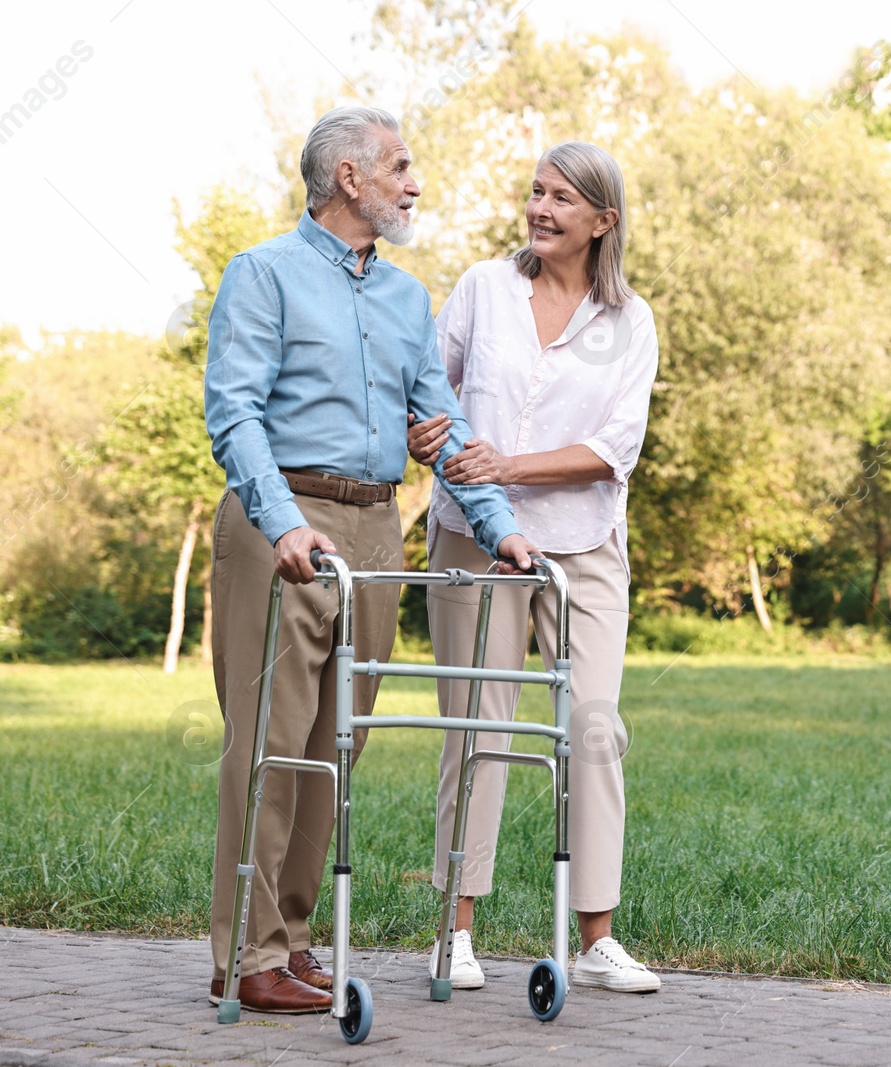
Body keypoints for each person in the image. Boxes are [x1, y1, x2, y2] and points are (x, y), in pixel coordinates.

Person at [203, 106, 537, 1015]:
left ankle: (296, 941)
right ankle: (247, 954)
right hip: (285, 524)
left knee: (334, 747)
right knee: (270, 743)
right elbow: (233, 413)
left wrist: (498, 520)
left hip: (375, 528)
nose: (413, 182)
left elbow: (442, 425)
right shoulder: (262, 275)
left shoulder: (403, 298)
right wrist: (280, 524)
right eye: (399, 166)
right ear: (348, 178)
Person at [407, 140, 660, 993]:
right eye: (536, 192)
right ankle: (455, 929)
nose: (541, 209)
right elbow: (429, 396)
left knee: (593, 729)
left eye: (562, 199)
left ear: (603, 221)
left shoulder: (629, 322)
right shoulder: (484, 288)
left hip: (583, 543)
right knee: (477, 725)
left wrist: (506, 465)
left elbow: (612, 447)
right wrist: (421, 438)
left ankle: (596, 940)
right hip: (475, 539)